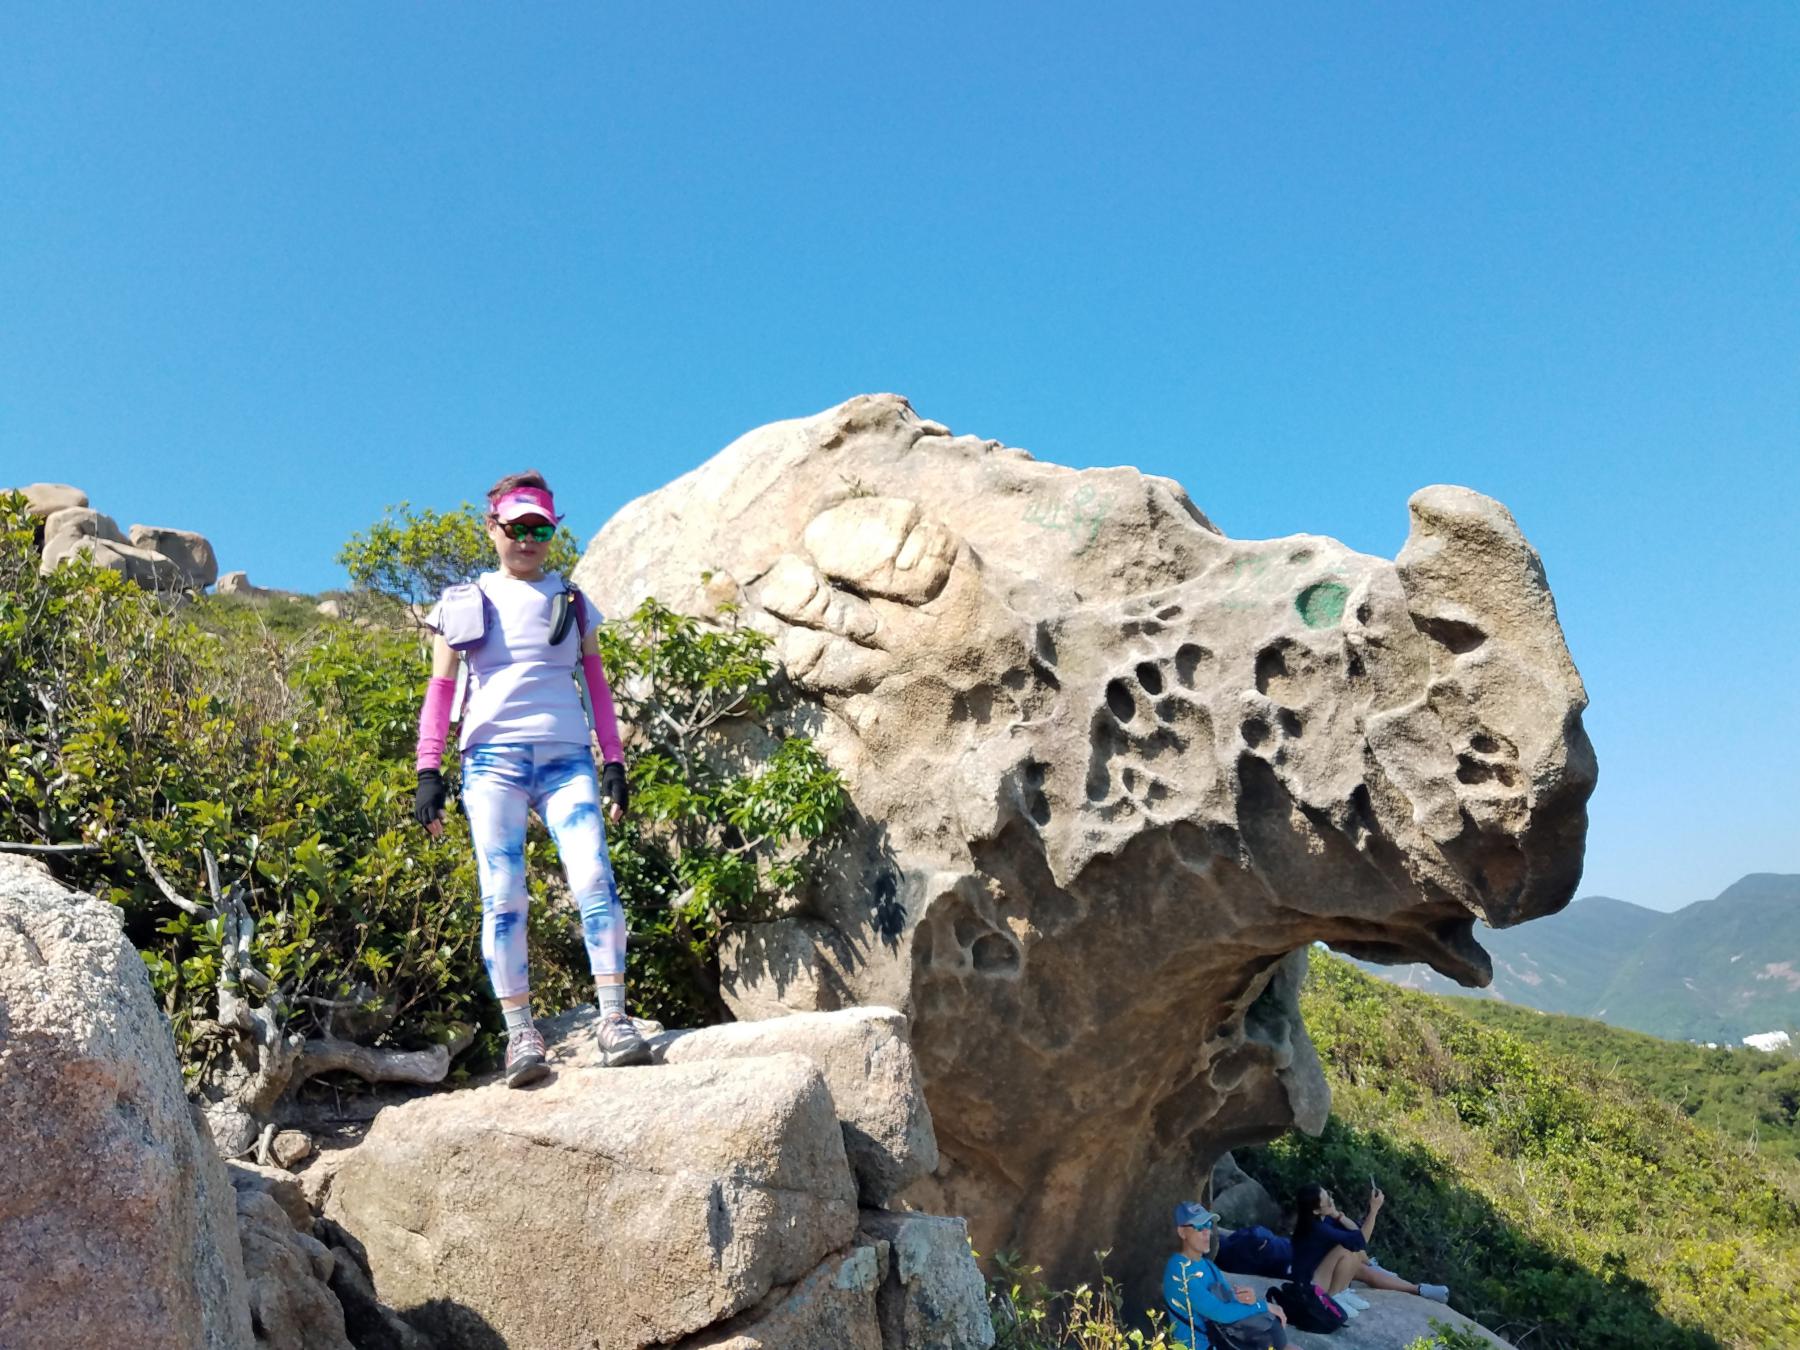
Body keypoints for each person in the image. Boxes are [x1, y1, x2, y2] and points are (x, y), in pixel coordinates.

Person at [412, 471, 650, 1087]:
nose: (527, 540)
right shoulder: (464, 600)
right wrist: (428, 769)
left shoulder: (573, 602)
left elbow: (596, 685)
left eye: (540, 530)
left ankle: (614, 1019)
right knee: (503, 894)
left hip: (568, 759)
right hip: (492, 761)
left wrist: (614, 760)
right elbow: (440, 689)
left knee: (594, 877)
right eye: (516, 527)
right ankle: (521, 1033)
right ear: (492, 528)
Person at [1290, 1182, 1449, 1313]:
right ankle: (1336, 1296)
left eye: (1329, 1195)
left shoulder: (1324, 1219)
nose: (1332, 1200)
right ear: (1316, 1210)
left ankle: (1418, 1289)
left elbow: (1354, 1231)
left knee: (1366, 1270)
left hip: (1326, 1269)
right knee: (1348, 1248)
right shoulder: (1316, 1228)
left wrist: (1337, 1215)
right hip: (1312, 1284)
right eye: (1328, 1201)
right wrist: (1374, 1210)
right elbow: (1359, 1241)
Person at [1163, 1202, 1288, 1349]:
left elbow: (1230, 1302)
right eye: (1199, 1227)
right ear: (1182, 1232)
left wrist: (1248, 1299)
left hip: (1221, 1340)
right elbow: (1220, 1313)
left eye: (1208, 1225)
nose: (1206, 1232)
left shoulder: (1208, 1265)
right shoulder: (1178, 1269)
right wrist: (1263, 1306)